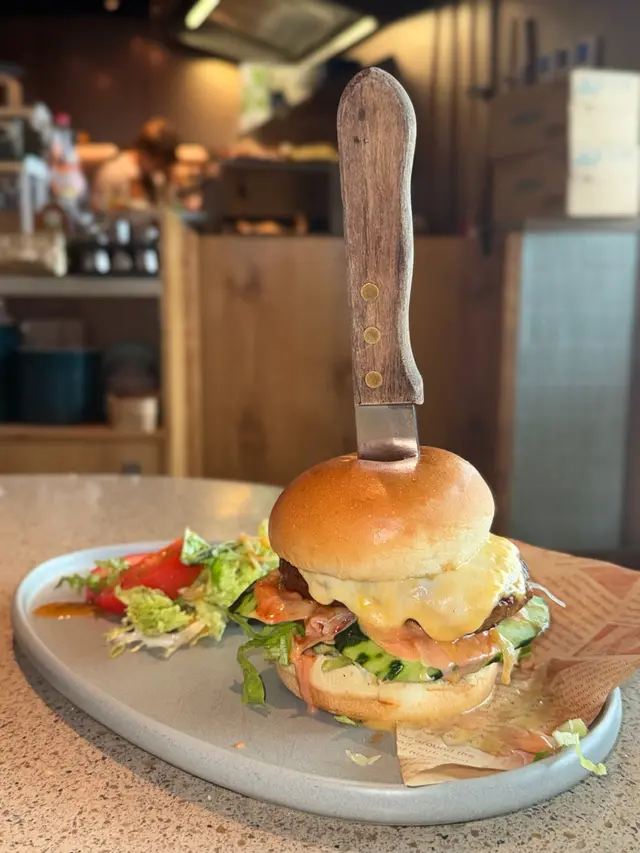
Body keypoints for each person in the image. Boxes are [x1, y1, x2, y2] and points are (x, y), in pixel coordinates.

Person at [92, 117, 180, 211]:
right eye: (158, 163)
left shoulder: (157, 177)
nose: (159, 168)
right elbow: (100, 210)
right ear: (144, 153)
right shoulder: (113, 174)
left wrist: (169, 182)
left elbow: (167, 208)